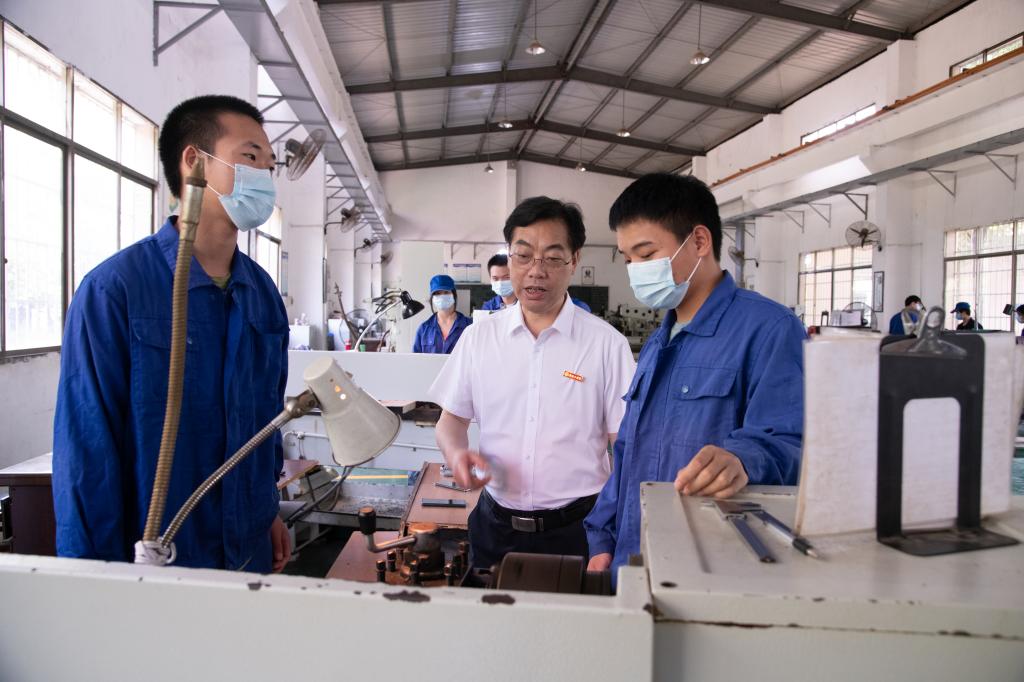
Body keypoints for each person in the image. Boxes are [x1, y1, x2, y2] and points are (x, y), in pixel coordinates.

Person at [53, 95, 291, 572]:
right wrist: (88, 574)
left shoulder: (262, 293)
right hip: (155, 555)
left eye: (270, 165)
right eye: (250, 157)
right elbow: (87, 447)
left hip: (247, 549)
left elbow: (265, 422)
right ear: (194, 162)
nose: (264, 177)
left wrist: (267, 509)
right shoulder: (116, 289)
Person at [585, 173, 806, 579]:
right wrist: (603, 537)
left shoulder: (769, 330)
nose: (635, 271)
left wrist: (742, 459)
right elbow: (629, 453)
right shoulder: (658, 343)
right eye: (628, 260)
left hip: (711, 569)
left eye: (646, 254)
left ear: (700, 241)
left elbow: (789, 442)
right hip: (632, 561)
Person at [430, 196, 635, 570]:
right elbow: (451, 421)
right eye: (523, 256)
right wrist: (457, 455)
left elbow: (623, 445)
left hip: (578, 530)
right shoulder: (479, 338)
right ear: (509, 259)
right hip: (494, 526)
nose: (536, 271)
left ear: (574, 261)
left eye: (553, 258)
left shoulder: (606, 345)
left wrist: (611, 532)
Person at [481, 252, 593, 313]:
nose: (501, 283)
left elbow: (581, 309)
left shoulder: (531, 302)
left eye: (506, 277)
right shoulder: (488, 307)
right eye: (495, 278)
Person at [413, 274, 472, 353]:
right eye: (437, 293)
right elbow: (415, 358)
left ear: (454, 295)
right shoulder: (424, 329)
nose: (442, 296)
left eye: (446, 292)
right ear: (432, 298)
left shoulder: (469, 326)